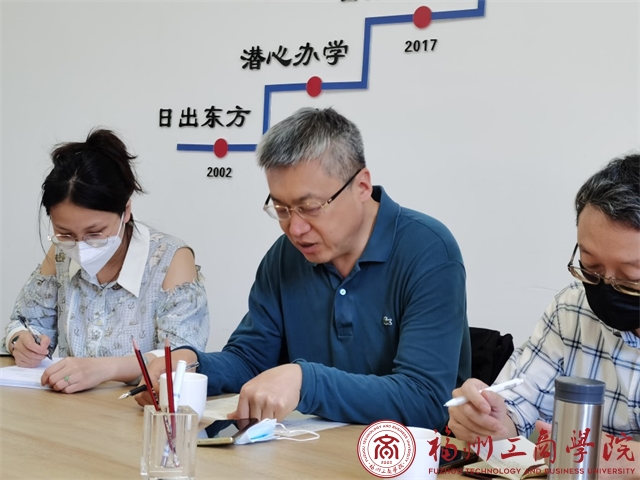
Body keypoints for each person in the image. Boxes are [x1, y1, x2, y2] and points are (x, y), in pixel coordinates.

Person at [139, 107, 470, 430]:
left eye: (310, 207)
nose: (295, 229)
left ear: (362, 186)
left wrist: (305, 381)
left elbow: (425, 399)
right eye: (281, 208)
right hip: (306, 450)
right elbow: (250, 360)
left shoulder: (428, 251)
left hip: (402, 454)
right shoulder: (286, 256)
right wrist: (192, 364)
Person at [448, 153, 639, 474]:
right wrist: (489, 421)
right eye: (591, 267)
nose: (606, 285)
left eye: (630, 277)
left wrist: (625, 459)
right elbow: (516, 406)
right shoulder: (572, 310)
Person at [3, 129, 210, 393]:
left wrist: (104, 369)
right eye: (65, 233)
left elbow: (183, 357)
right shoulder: (61, 252)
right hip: (64, 405)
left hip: (137, 410)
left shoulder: (169, 259)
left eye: (95, 233)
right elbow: (26, 322)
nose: (80, 245)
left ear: (126, 210)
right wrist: (20, 341)